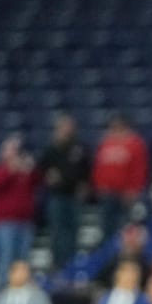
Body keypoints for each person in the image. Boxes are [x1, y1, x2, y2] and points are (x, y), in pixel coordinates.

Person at [39, 112, 91, 268]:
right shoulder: (51, 148)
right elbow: (40, 169)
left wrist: (85, 185)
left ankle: (71, 263)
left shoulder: (79, 148)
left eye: (69, 127)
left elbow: (87, 169)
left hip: (74, 195)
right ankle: (57, 263)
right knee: (57, 231)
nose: (67, 130)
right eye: (64, 127)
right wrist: (48, 176)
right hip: (57, 196)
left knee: (73, 231)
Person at [0, 135, 42, 285]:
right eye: (11, 150)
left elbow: (39, 181)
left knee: (23, 260)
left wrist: (30, 168)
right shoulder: (1, 170)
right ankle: (5, 292)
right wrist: (11, 169)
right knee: (6, 259)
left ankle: (22, 289)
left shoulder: (25, 171)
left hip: (25, 222)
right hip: (6, 223)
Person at [93, 114, 149, 241]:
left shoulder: (135, 143)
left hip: (126, 194)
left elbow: (139, 169)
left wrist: (134, 189)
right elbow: (99, 167)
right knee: (107, 227)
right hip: (108, 193)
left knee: (126, 226)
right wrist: (99, 185)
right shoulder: (105, 143)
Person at [96, 223, 151, 287]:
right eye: (128, 237)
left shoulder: (145, 265)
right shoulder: (112, 261)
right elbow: (100, 281)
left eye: (135, 238)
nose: (130, 241)